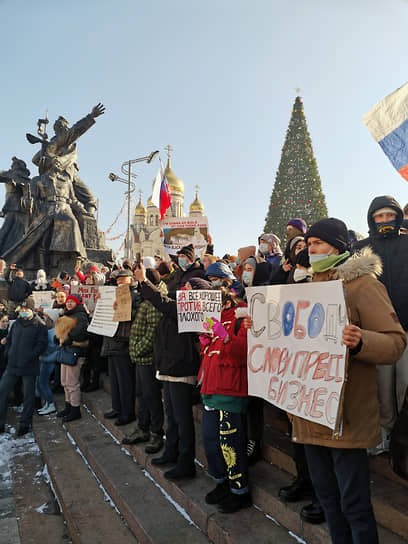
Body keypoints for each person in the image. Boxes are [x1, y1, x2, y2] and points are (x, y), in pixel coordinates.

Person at [291, 217, 406, 544]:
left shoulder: (363, 286)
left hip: (346, 420)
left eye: (318, 244)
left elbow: (395, 342)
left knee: (353, 505)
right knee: (328, 501)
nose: (310, 250)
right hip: (309, 414)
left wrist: (360, 341)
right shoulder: (304, 289)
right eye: (309, 244)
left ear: (338, 247)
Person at [134, 265, 204, 479]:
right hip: (168, 368)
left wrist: (145, 281)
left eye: (189, 288)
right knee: (172, 416)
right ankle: (171, 452)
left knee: (183, 419)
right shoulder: (176, 304)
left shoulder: (193, 310)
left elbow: (162, 302)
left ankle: (186, 463)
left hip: (182, 369)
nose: (184, 290)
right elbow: (164, 299)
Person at [355, 196, 408, 453]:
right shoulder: (361, 250)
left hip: (407, 328)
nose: (385, 220)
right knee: (381, 388)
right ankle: (385, 433)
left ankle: (402, 437)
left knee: (405, 385)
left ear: (398, 217)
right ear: (372, 219)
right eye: (379, 216)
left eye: (389, 215)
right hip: (378, 332)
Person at [199, 287, 252, 513]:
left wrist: (226, 336)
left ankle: (239, 490)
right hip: (211, 388)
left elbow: (244, 353)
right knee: (211, 441)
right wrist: (205, 342)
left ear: (226, 302)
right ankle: (221, 481)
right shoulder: (214, 321)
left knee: (230, 444)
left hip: (230, 390)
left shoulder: (242, 318)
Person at [123, 268, 167, 454]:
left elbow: (153, 332)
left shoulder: (155, 300)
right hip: (141, 358)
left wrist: (137, 350)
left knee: (152, 396)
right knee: (141, 394)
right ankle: (143, 427)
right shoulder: (145, 299)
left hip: (148, 358)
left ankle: (156, 432)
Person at [0, 297, 48, 435]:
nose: (24, 311)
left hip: (29, 366)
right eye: (22, 309)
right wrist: (8, 352)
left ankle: (25, 424)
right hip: (12, 365)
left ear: (32, 309)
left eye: (27, 309)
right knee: (2, 391)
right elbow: (9, 340)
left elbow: (42, 345)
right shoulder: (16, 324)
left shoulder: (39, 325)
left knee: (28, 396)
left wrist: (30, 356)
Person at [102, 269, 141, 426]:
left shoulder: (135, 295)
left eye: (123, 279)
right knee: (115, 381)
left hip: (123, 342)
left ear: (131, 280)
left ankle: (127, 412)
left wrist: (123, 309)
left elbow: (137, 315)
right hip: (111, 340)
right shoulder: (111, 293)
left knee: (125, 381)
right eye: (118, 280)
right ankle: (117, 408)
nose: (119, 282)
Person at [54, 294, 89, 422]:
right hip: (66, 351)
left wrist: (65, 337)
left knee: (72, 383)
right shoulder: (66, 315)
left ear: (77, 303)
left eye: (72, 302)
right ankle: (68, 406)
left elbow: (80, 333)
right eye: (67, 301)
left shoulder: (81, 316)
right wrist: (58, 337)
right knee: (64, 381)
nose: (68, 303)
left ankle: (75, 410)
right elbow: (58, 332)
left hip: (75, 352)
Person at [37, 309, 61, 415]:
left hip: (48, 359)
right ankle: (47, 403)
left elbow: (51, 347)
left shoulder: (53, 332)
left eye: (46, 316)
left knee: (43, 383)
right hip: (46, 359)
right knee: (42, 383)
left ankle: (50, 404)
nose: (45, 318)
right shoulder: (50, 329)